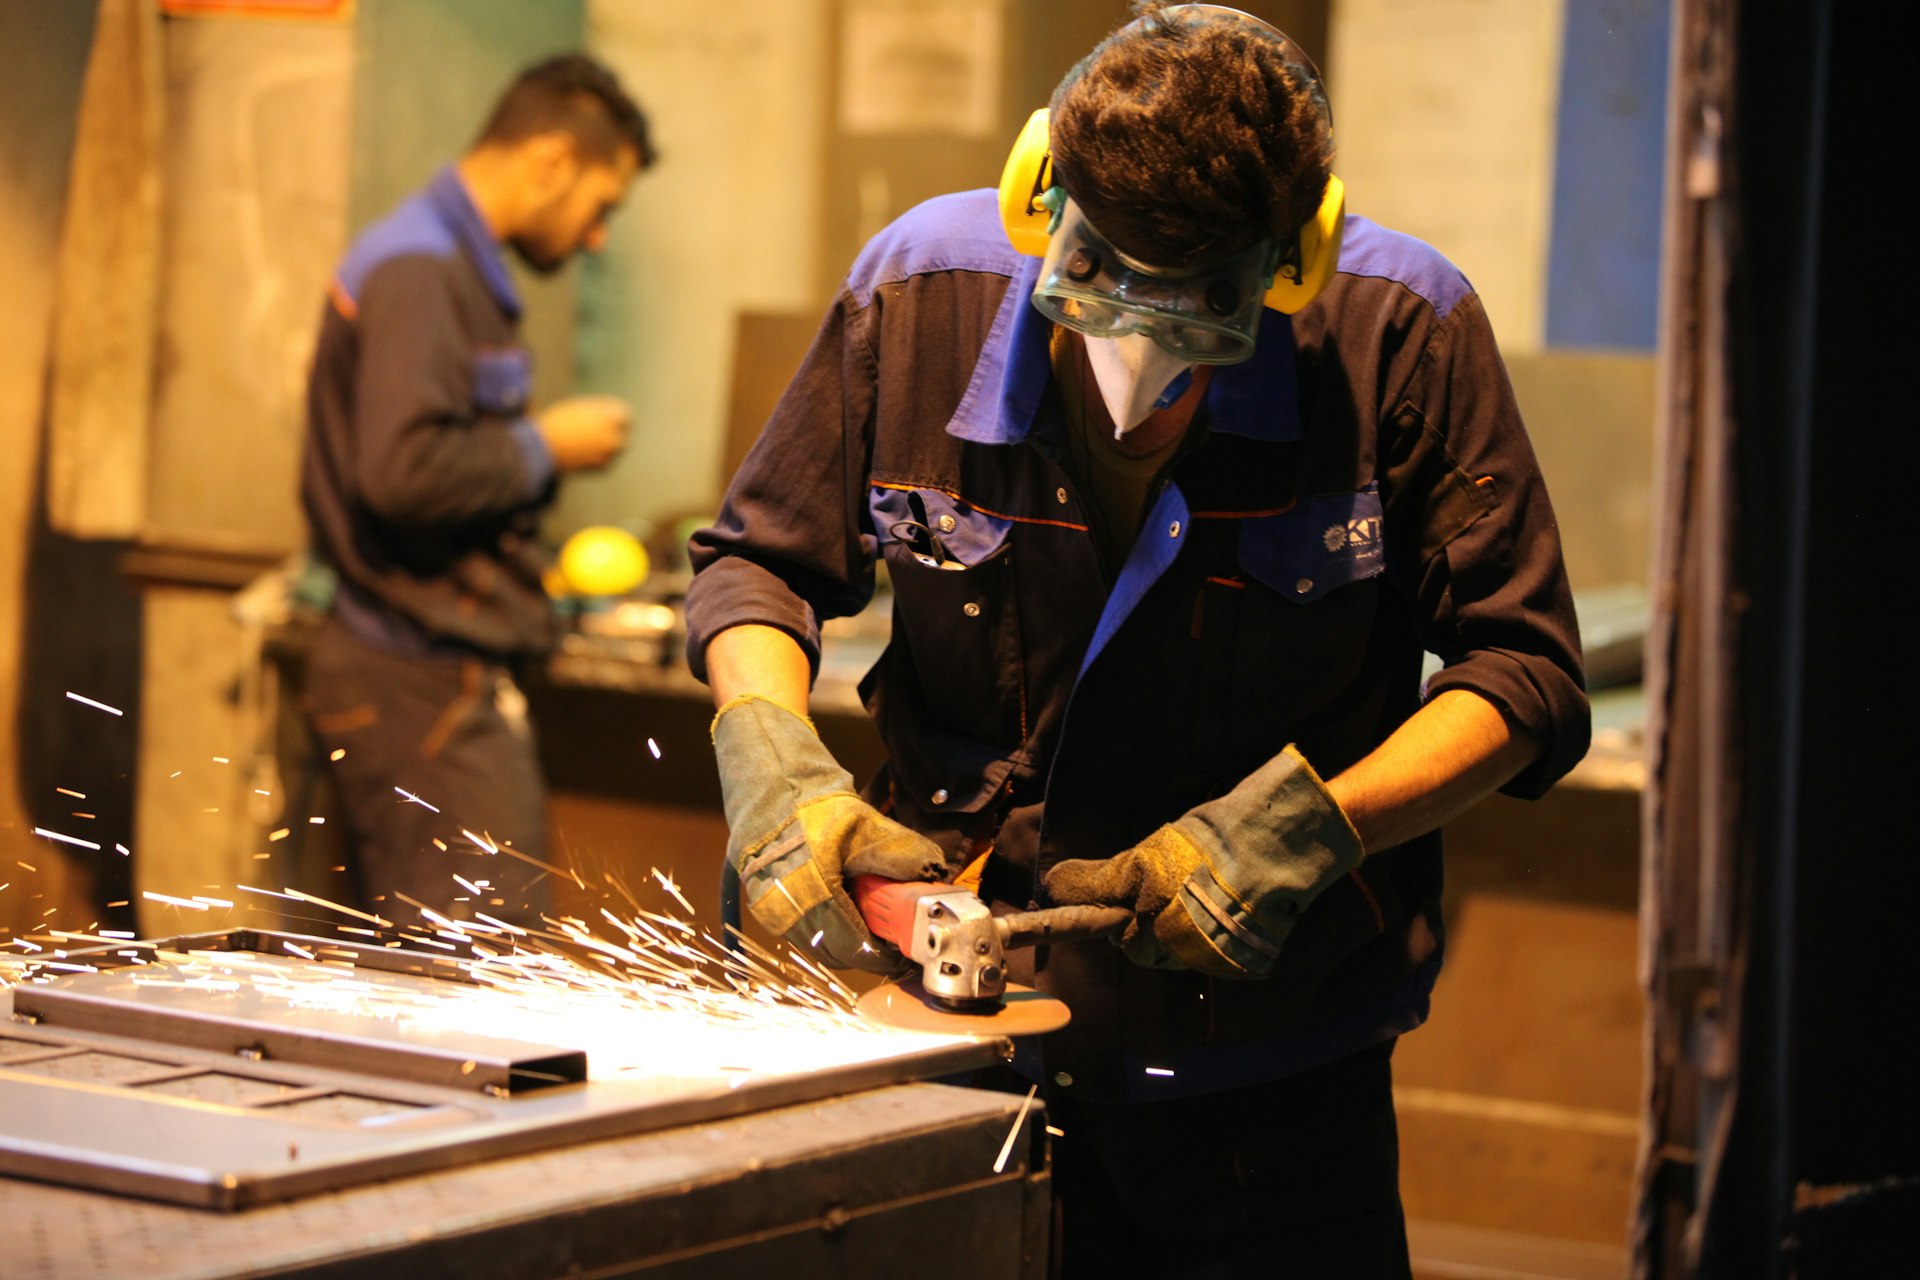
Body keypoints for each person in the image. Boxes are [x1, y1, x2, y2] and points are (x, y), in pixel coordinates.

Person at [685, 4, 1587, 1275]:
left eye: (1201, 303)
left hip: (1264, 1089)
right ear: (1038, 196)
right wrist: (770, 745)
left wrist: (1314, 828)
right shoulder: (919, 292)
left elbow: (1526, 673)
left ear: (1296, 257)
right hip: (949, 1048)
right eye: (1104, 276)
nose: (1139, 347)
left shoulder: (1402, 335)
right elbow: (762, 564)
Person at [299, 54, 654, 925]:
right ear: (551, 162)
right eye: (601, 207)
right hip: (415, 676)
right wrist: (546, 444)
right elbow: (401, 473)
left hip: (421, 674)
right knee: (474, 981)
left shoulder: (441, 260)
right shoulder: (421, 269)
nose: (596, 235)